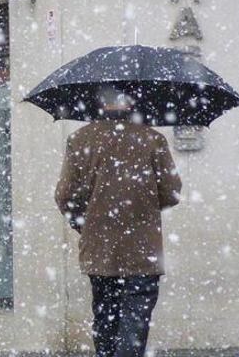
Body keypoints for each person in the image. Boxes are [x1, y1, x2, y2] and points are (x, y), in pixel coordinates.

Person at [55, 89, 181, 357]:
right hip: (142, 250)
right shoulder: (152, 139)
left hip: (100, 249)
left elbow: (65, 196)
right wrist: (143, 207)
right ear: (133, 101)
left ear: (100, 102)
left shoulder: (80, 139)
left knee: (105, 317)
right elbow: (171, 191)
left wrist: (84, 222)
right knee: (135, 322)